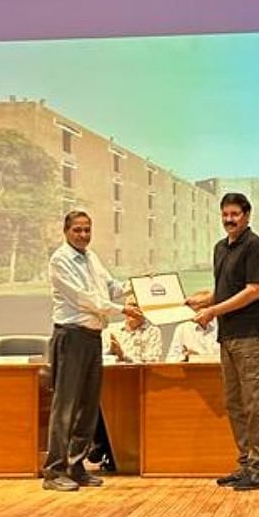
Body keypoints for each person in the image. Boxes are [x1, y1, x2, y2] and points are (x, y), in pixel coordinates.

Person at [43, 210, 141, 492]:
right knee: (66, 406)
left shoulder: (91, 257)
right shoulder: (60, 260)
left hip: (92, 337)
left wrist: (140, 285)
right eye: (77, 230)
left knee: (88, 406)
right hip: (71, 336)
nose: (83, 235)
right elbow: (86, 300)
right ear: (65, 231)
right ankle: (54, 470)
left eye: (87, 230)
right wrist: (122, 309)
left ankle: (76, 466)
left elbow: (110, 287)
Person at [186, 192, 259, 491]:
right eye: (225, 214)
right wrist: (202, 301)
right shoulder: (220, 249)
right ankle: (245, 464)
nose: (229, 219)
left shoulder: (255, 246)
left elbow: (253, 291)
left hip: (252, 335)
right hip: (228, 336)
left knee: (253, 404)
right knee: (235, 403)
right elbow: (224, 291)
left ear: (247, 215)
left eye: (235, 214)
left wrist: (212, 310)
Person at [102, 294, 163, 363]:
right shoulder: (110, 330)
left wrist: (123, 356)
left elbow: (152, 363)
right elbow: (100, 359)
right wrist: (110, 351)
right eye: (130, 306)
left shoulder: (152, 332)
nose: (133, 310)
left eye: (137, 306)